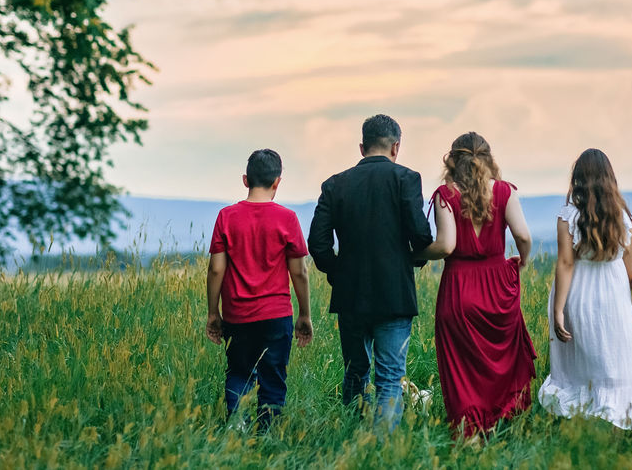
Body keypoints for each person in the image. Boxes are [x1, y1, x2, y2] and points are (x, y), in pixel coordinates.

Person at [308, 114, 434, 432]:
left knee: (355, 371)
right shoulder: (407, 179)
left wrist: (340, 271)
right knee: (390, 376)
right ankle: (382, 453)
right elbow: (421, 237)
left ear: (362, 147)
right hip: (394, 294)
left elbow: (318, 245)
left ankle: (352, 435)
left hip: (350, 295)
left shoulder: (335, 185)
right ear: (396, 147)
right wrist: (407, 262)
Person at [417, 132, 536, 437]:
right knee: (501, 361)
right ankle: (499, 425)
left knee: (462, 368)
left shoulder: (446, 195)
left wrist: (414, 253)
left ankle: (469, 432)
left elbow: (445, 245)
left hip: (459, 288)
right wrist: (521, 261)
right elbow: (523, 235)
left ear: (452, 160)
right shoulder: (505, 192)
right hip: (497, 287)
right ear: (488, 158)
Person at [537, 148, 632, 431]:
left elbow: (565, 263)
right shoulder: (622, 218)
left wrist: (558, 309)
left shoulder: (568, 216)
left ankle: (580, 427)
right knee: (613, 359)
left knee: (578, 364)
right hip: (612, 295)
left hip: (577, 294)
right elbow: (629, 270)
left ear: (577, 180)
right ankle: (615, 424)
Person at [205, 149, 313, 429]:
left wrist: (212, 313)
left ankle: (237, 427)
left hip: (237, 316)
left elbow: (216, 269)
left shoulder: (226, 217)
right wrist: (304, 314)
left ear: (245, 180)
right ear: (278, 181)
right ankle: (268, 436)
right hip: (276, 316)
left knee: (239, 373)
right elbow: (299, 271)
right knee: (273, 378)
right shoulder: (287, 218)